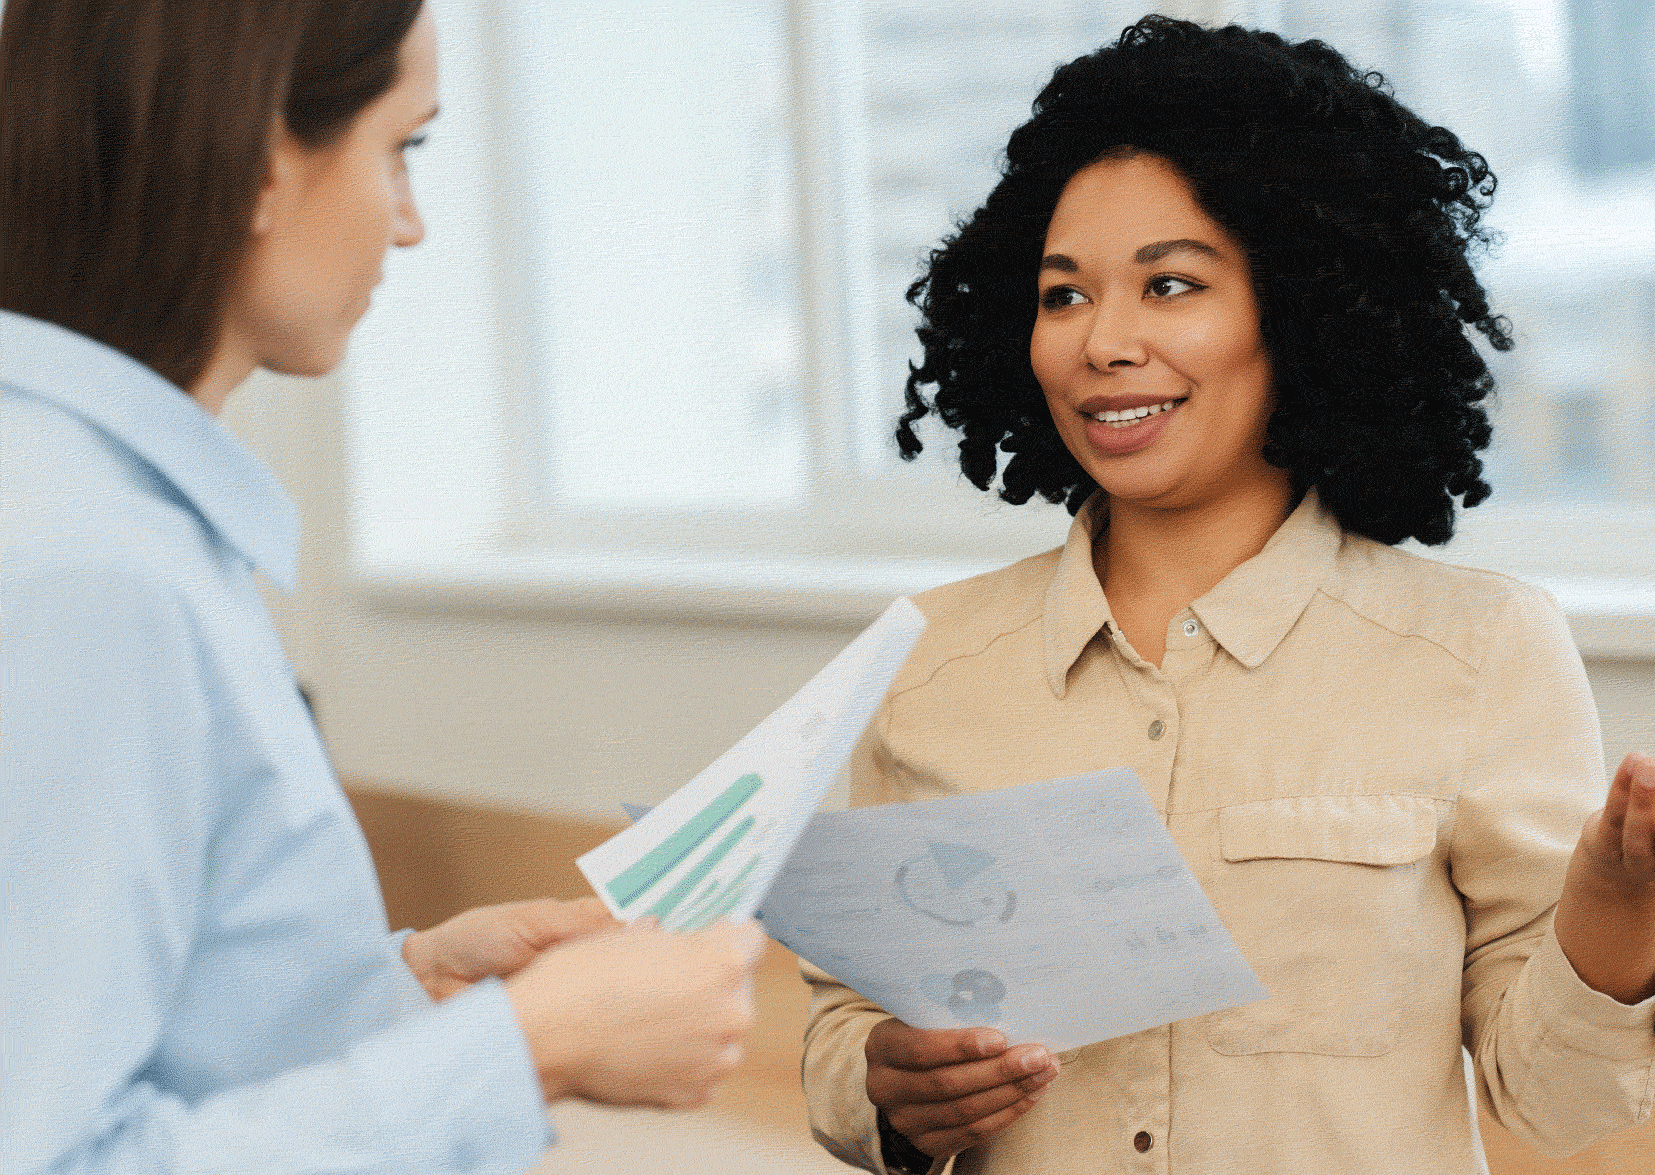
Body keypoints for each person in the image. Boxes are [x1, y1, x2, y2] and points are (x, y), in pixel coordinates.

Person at [799, 16, 1655, 1175]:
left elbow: (1549, 1103)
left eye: (1167, 284)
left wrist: (1611, 907)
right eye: (1062, 296)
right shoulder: (931, 662)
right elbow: (846, 1029)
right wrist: (884, 1081)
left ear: (1296, 308)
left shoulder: (1479, 650)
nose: (1102, 341)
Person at [1, 3, 765, 1172]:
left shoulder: (108, 514)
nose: (409, 224)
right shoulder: (95, 570)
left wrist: (404, 991)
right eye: (402, 147)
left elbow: (143, 1019)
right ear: (263, 162)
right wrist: (529, 1046)